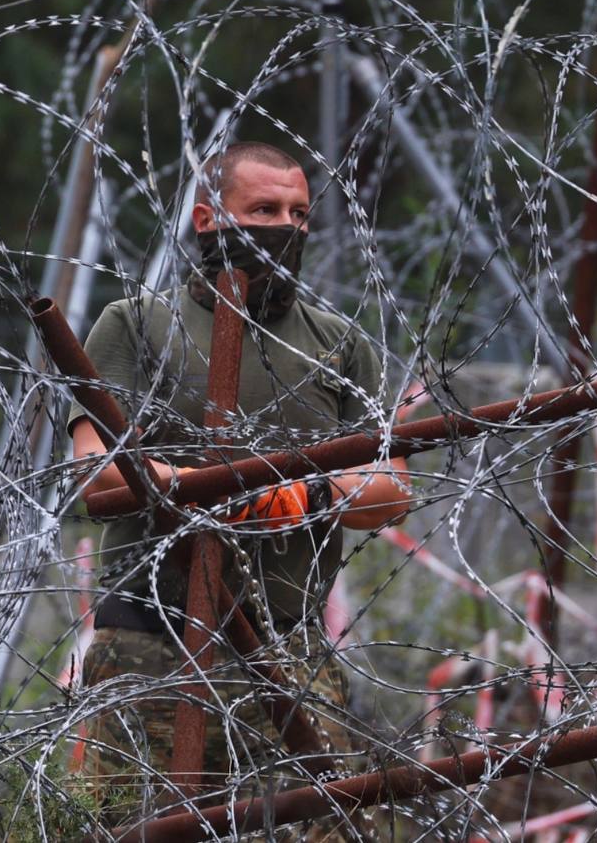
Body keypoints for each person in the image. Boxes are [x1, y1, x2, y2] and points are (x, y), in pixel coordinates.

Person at [68, 141, 412, 839]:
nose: (285, 228)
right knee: (141, 827)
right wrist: (205, 490)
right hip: (149, 641)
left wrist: (306, 493)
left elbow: (390, 487)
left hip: (286, 647)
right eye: (263, 209)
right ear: (207, 220)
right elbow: (97, 470)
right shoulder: (135, 326)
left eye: (299, 214)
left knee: (318, 825)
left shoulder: (338, 345)